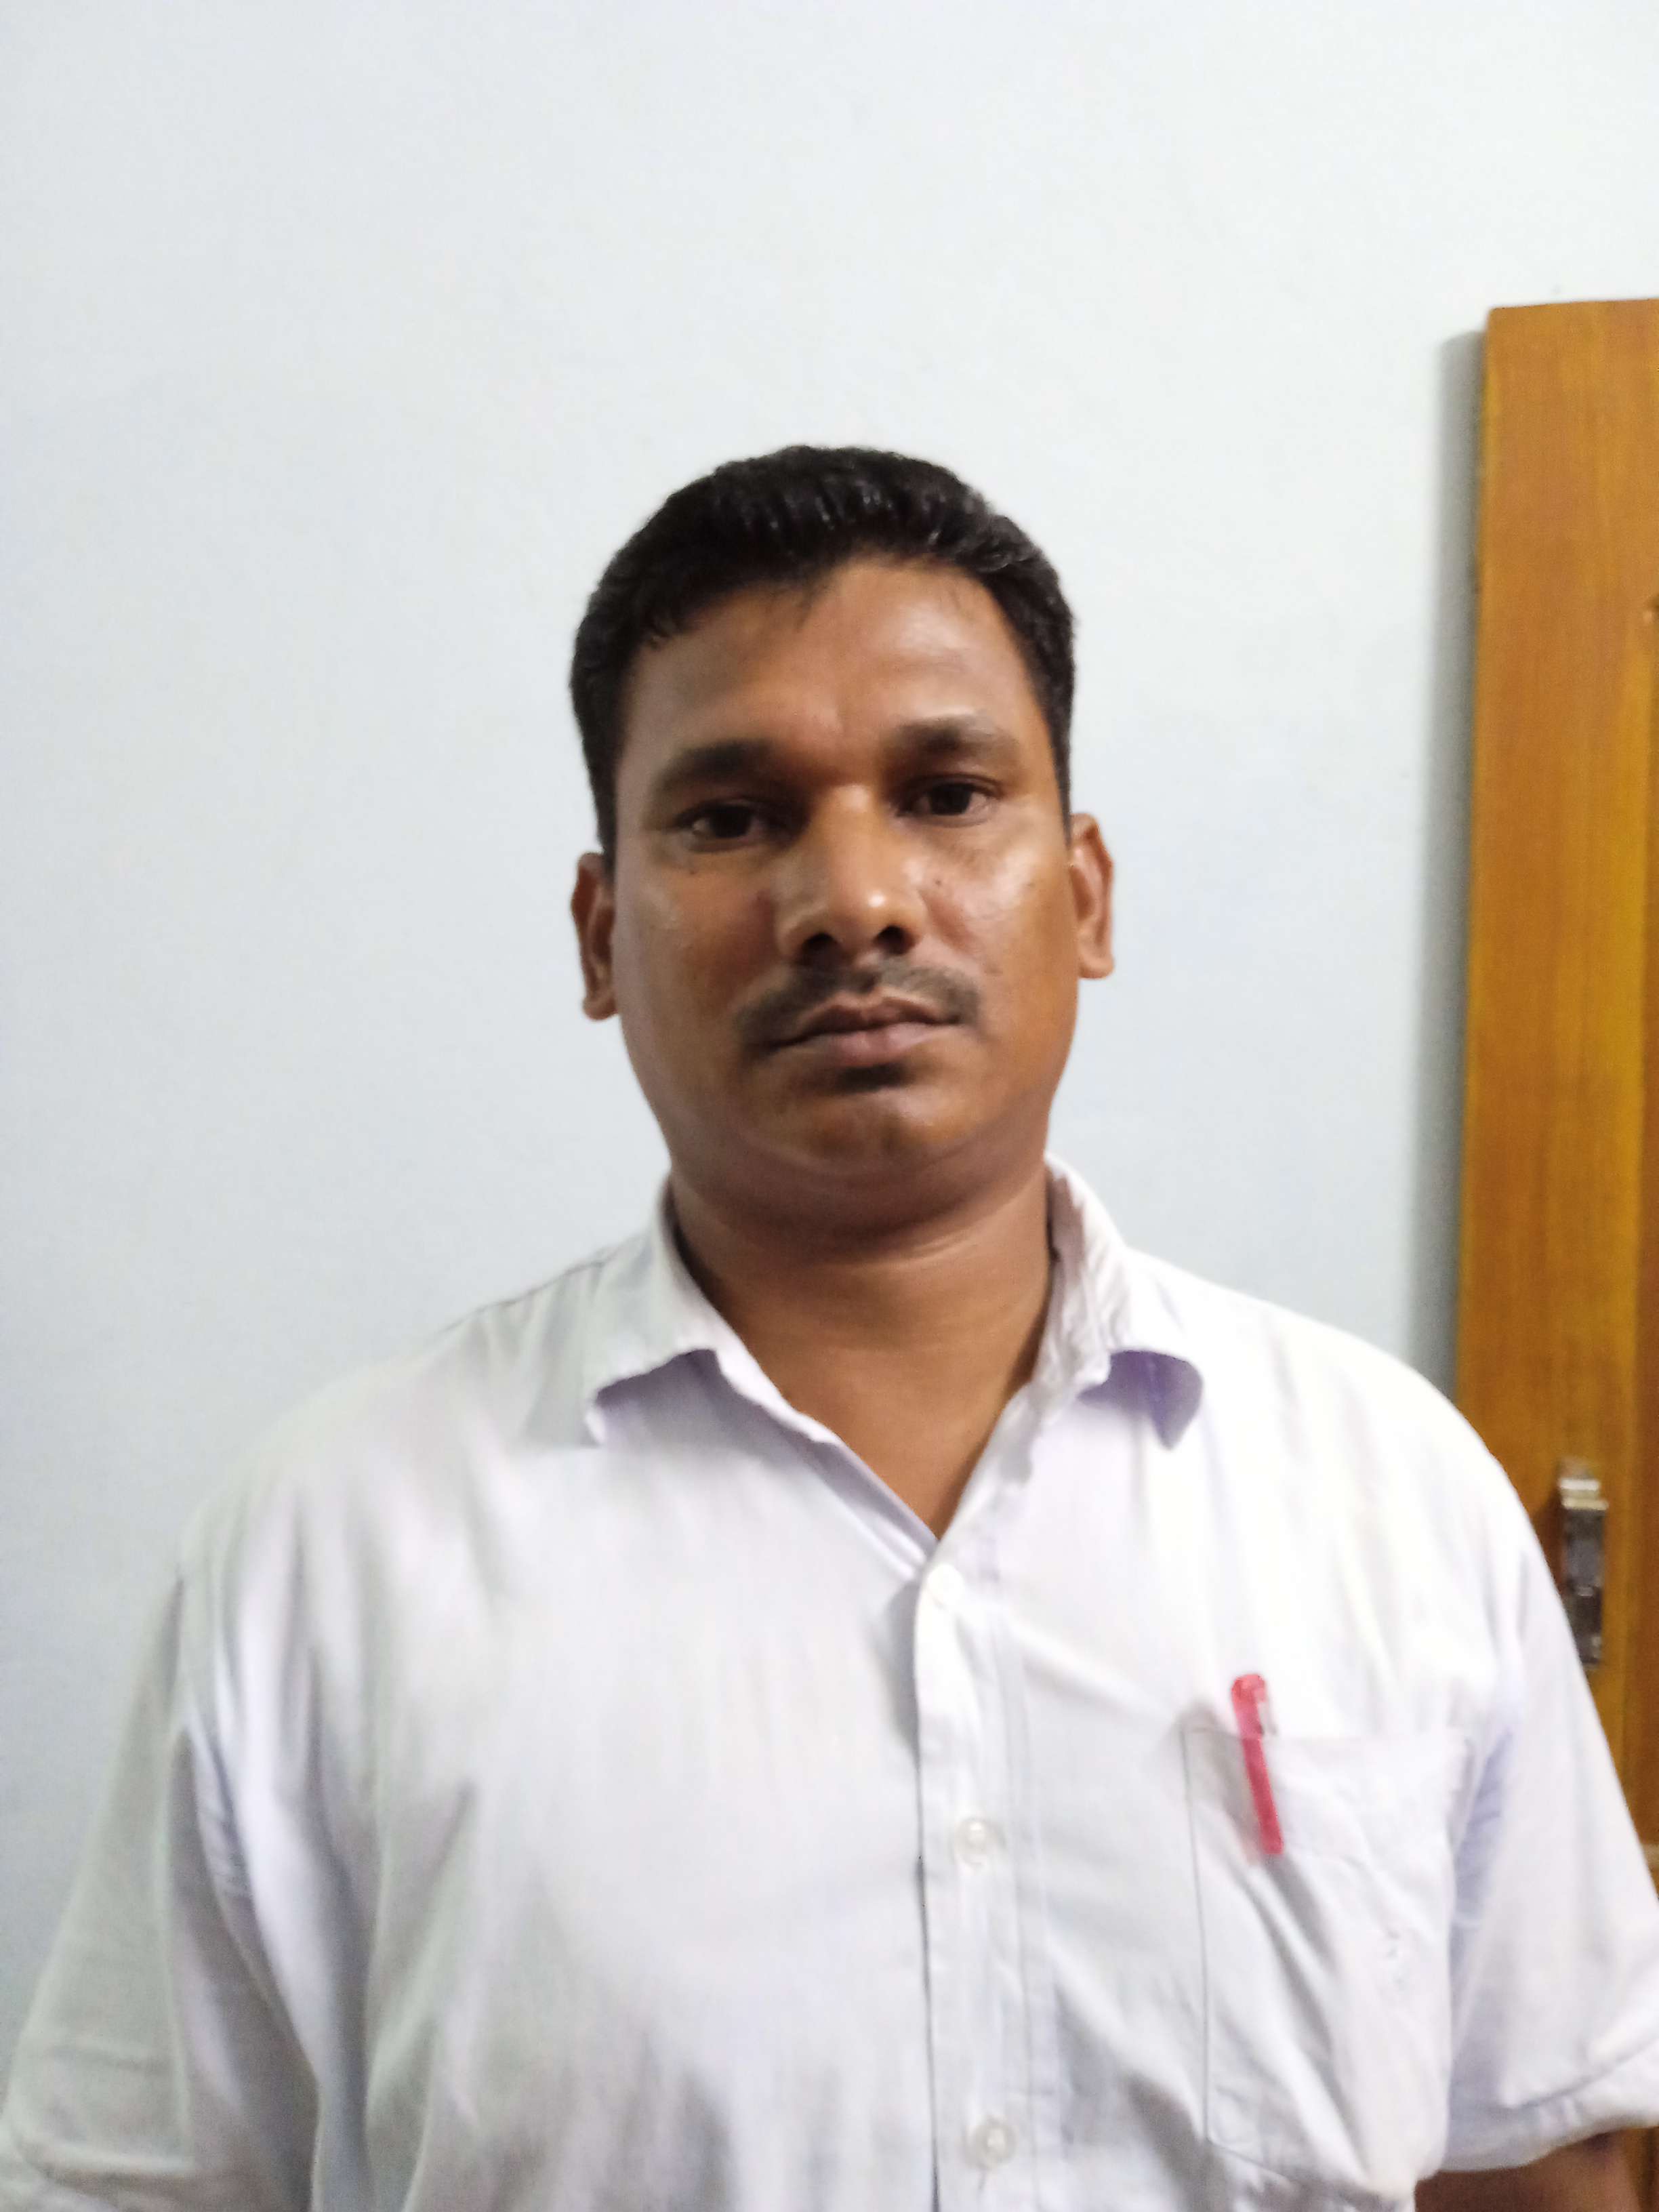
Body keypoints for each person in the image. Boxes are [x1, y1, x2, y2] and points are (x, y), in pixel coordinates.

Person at [3, 447, 1658, 2212]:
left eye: (947, 794)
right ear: (600, 937)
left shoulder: (1384, 1489)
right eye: (732, 817)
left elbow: (1544, 2155)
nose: (855, 899)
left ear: (1086, 895)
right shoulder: (330, 1546)